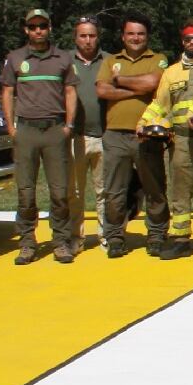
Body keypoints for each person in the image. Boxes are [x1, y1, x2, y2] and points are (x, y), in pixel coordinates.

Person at [0, 8, 79, 265]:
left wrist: (68, 125)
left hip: (55, 130)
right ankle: (26, 243)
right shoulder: (14, 58)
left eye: (42, 26)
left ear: (49, 28)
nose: (38, 31)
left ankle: (61, 242)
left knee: (59, 191)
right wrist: (11, 128)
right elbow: (7, 92)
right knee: (25, 191)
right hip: (27, 131)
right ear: (26, 29)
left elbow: (70, 92)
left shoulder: (63, 58)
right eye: (33, 27)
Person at [94, 13, 169, 258]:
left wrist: (121, 81)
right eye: (131, 33)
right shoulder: (111, 60)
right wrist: (135, 91)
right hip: (115, 134)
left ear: (147, 36)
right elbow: (103, 90)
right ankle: (115, 236)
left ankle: (157, 234)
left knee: (154, 188)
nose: (136, 38)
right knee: (114, 190)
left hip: (148, 135)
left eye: (140, 33)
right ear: (123, 36)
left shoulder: (158, 59)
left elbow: (153, 83)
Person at [145, 22, 193, 259]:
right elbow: (160, 104)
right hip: (180, 140)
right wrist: (144, 122)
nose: (192, 43)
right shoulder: (171, 72)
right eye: (188, 39)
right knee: (180, 190)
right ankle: (181, 239)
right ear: (182, 42)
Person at [66, 16, 108, 253]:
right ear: (76, 38)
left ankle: (105, 235)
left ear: (97, 37)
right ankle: (76, 237)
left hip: (104, 135)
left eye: (92, 35)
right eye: (83, 35)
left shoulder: (110, 61)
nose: (88, 40)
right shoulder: (64, 61)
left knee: (104, 191)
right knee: (75, 191)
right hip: (76, 137)